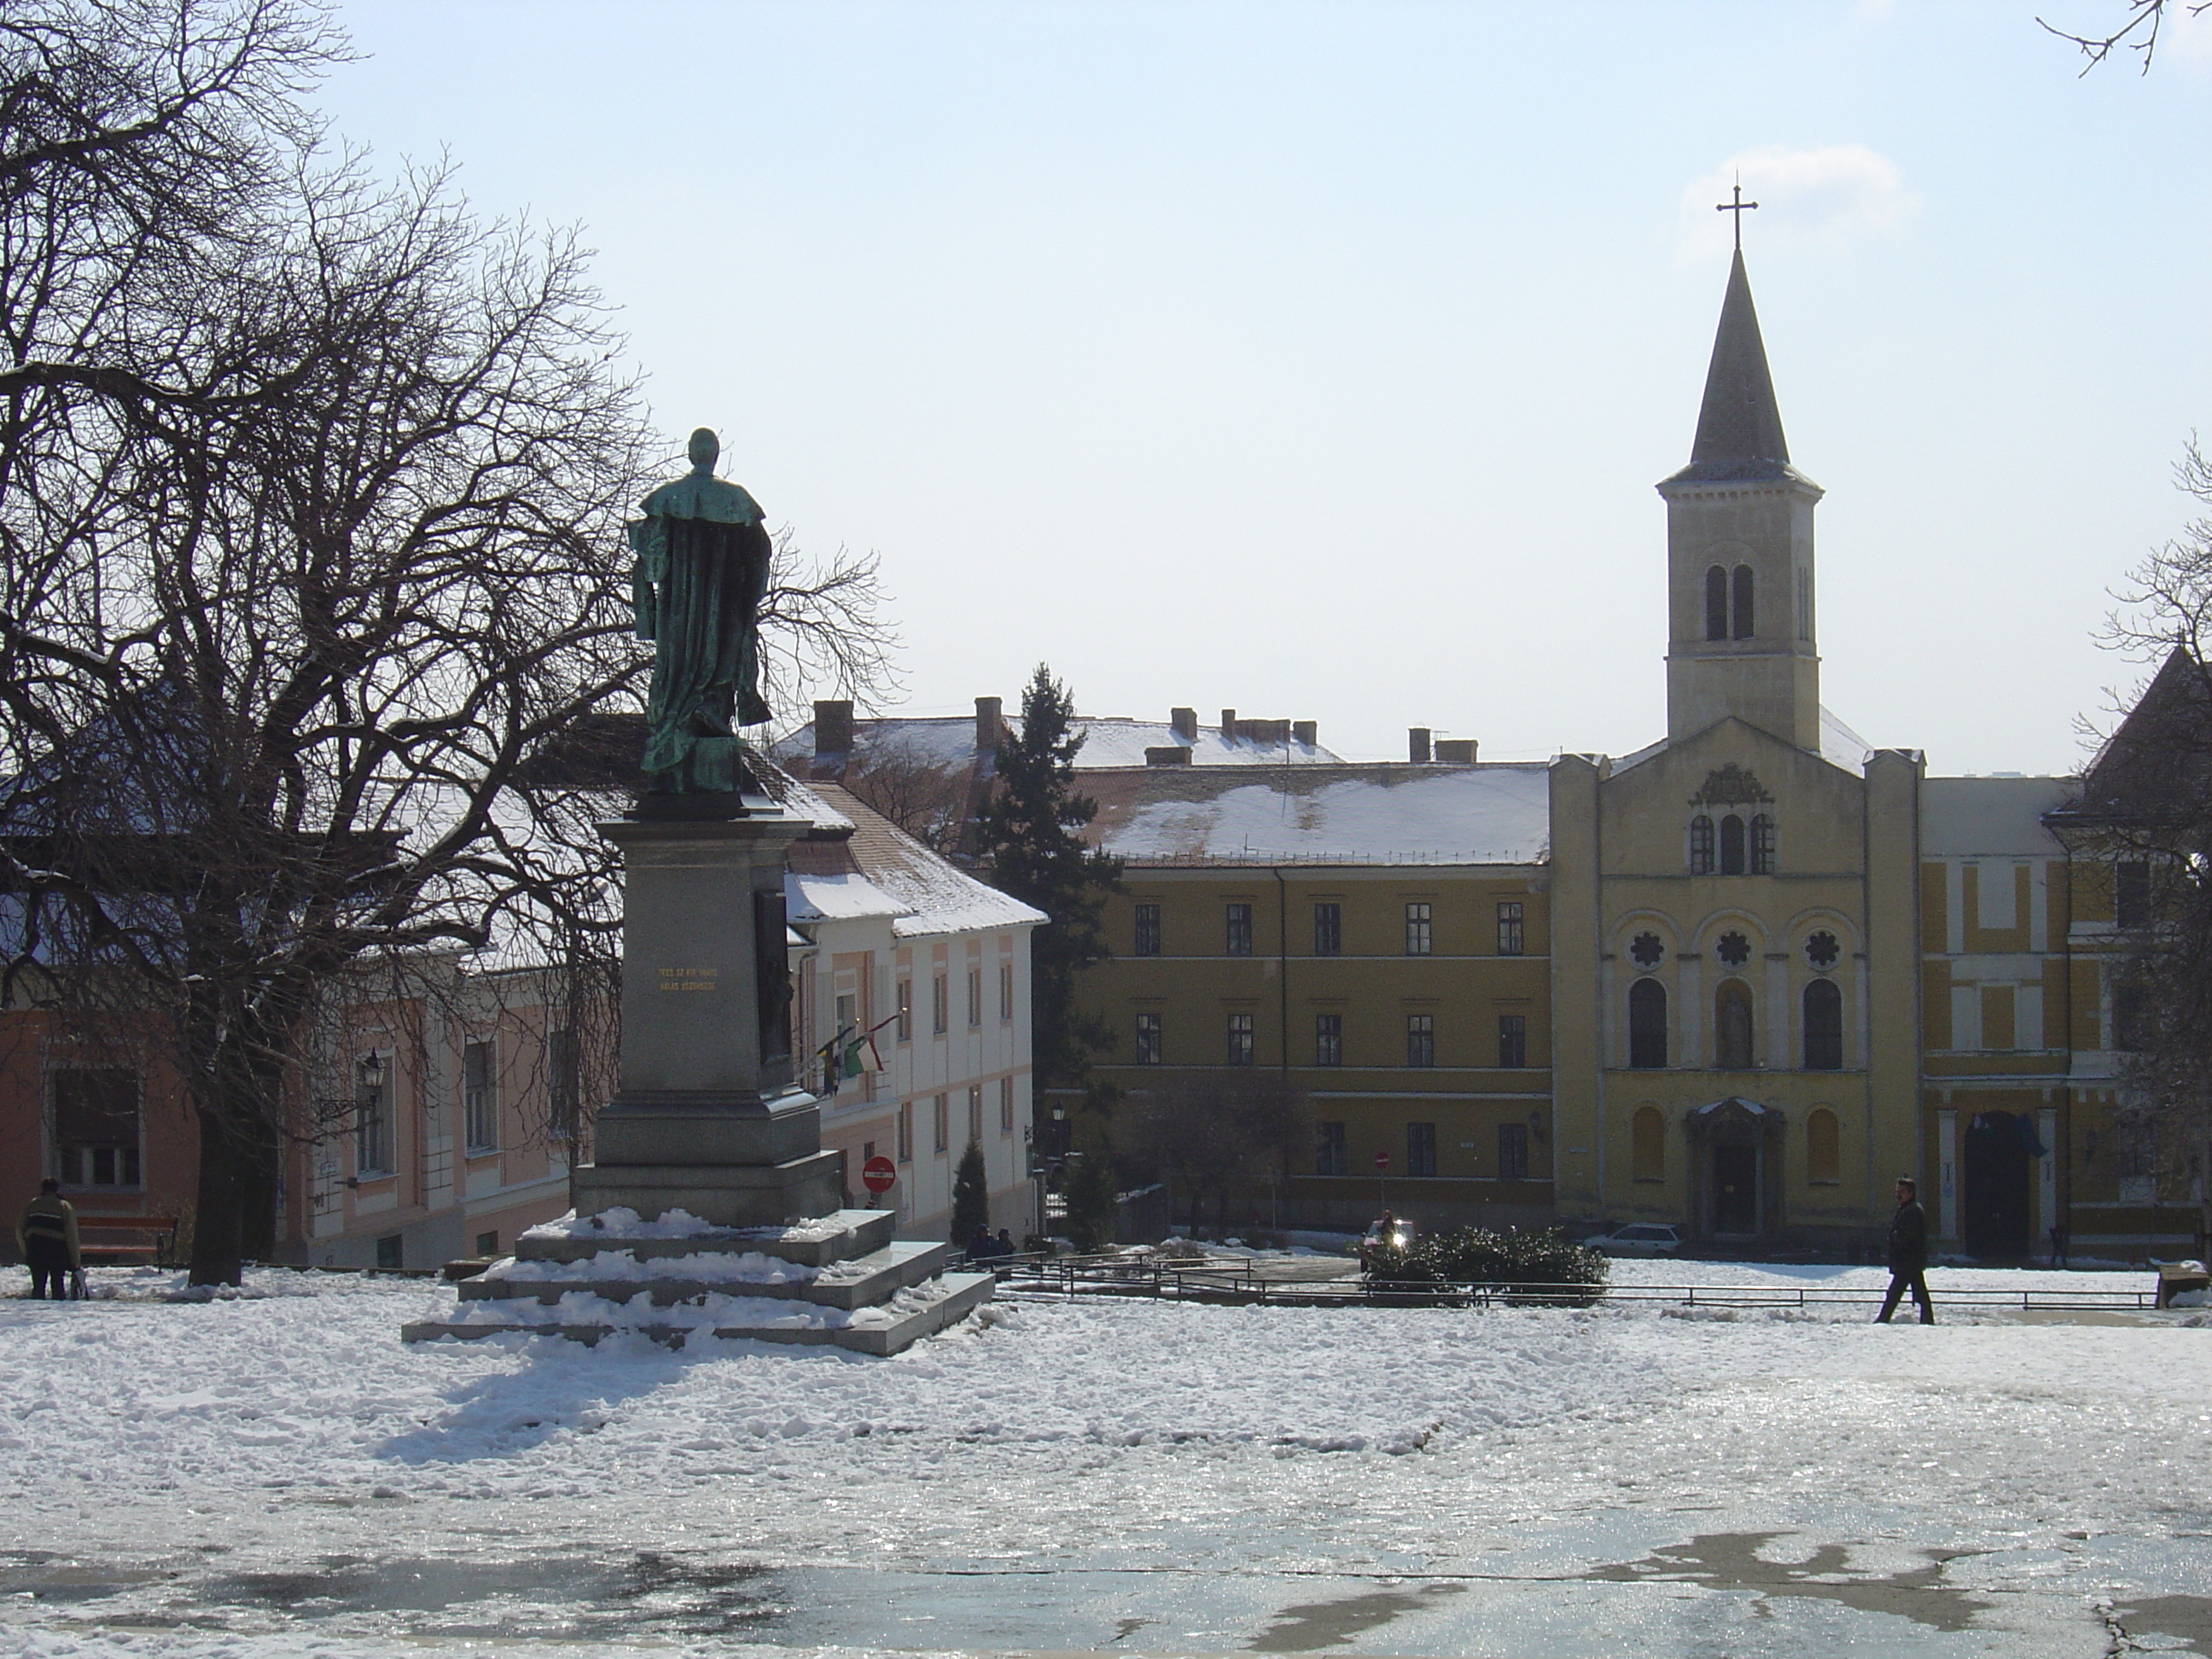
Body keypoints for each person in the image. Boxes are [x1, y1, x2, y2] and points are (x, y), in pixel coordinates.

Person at [1876, 1176, 1933, 1324]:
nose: (1898, 1195)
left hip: (1907, 1260)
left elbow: (1908, 1236)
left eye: (1901, 1192)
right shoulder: (1908, 1209)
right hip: (1910, 1261)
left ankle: (1883, 1319)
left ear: (1910, 1193)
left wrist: (1895, 1237)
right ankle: (1927, 1320)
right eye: (1897, 1191)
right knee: (1919, 1293)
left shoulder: (1912, 1211)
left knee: (1894, 1293)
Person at [17, 1179, 81, 1301]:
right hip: (57, 1251)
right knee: (58, 1285)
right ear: (57, 1189)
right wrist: (75, 1260)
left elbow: (20, 1229)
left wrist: (26, 1251)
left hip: (35, 1250)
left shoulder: (32, 1205)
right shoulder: (63, 1206)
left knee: (38, 1287)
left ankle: (37, 1313)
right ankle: (57, 1314)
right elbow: (71, 1235)